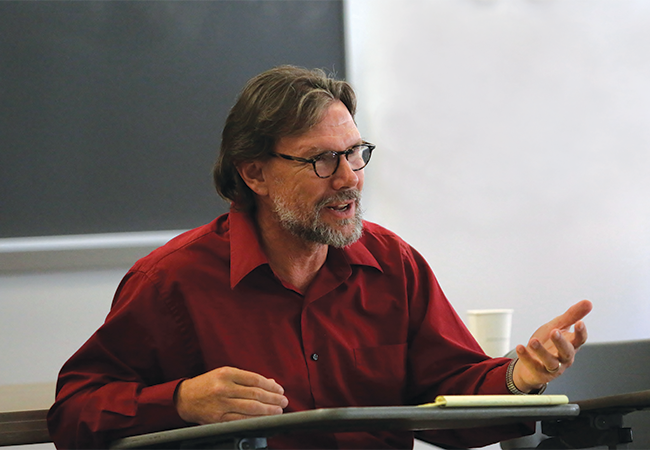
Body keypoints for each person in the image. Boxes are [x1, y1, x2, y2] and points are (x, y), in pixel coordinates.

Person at [47, 66, 593, 450]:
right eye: (322, 160)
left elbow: (449, 406)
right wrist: (182, 400)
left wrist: (520, 378)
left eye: (356, 153)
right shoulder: (173, 280)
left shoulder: (392, 264)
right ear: (254, 173)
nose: (350, 178)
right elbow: (75, 412)